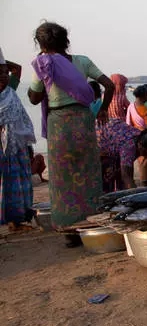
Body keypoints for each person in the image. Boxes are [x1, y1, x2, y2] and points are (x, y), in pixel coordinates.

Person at [27, 22, 114, 247]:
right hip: (83, 121)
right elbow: (109, 85)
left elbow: (34, 99)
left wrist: (35, 84)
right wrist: (103, 108)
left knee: (62, 177)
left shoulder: (43, 64)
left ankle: (70, 231)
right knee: (88, 171)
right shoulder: (82, 61)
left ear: (41, 44)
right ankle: (92, 223)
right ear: (65, 40)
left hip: (59, 125)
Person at [1, 53, 37, 232]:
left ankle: (16, 221)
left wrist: (3, 63)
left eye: (4, 73)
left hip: (16, 147)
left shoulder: (10, 91)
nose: (3, 77)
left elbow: (17, 69)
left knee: (18, 183)